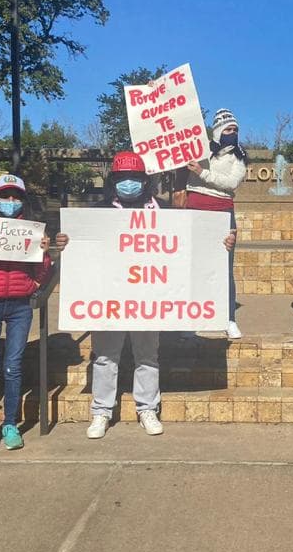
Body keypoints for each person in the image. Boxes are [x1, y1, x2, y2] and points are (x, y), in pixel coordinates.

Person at [87, 151, 236, 440]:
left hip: (148, 297)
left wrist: (220, 242)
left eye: (134, 178)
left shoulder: (164, 211)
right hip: (110, 298)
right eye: (122, 178)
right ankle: (101, 411)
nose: (128, 183)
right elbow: (85, 249)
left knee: (147, 355)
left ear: (145, 181)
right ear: (113, 181)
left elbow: (189, 244)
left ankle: (147, 408)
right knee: (105, 357)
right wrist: (67, 242)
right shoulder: (98, 211)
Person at [0, 174, 69, 453]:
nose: (10, 201)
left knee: (13, 367)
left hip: (20, 306)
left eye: (15, 196)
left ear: (23, 199)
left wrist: (44, 256)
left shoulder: (31, 230)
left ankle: (9, 425)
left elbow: (42, 276)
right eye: (4, 196)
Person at [185, 108, 248, 340]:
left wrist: (202, 173)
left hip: (222, 213)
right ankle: (189, 320)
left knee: (224, 267)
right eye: (228, 129)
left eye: (235, 129)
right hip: (194, 211)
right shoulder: (198, 149)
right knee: (193, 267)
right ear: (218, 130)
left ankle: (229, 318)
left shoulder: (239, 157)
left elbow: (231, 183)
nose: (232, 133)